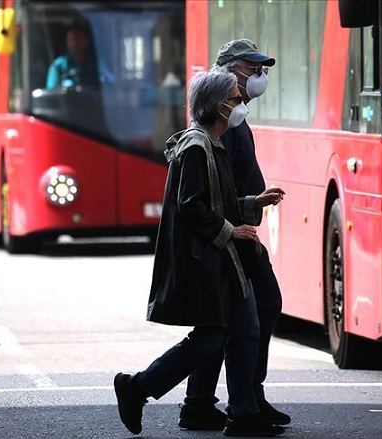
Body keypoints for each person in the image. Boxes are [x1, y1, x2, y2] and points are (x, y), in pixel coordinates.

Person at [113, 70, 287, 438]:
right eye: (234, 100)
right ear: (214, 105)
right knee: (213, 337)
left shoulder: (213, 143)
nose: (240, 106)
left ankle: (242, 413)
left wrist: (251, 203)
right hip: (207, 260)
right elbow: (191, 206)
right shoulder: (197, 147)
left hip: (224, 260)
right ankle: (138, 387)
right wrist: (231, 230)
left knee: (245, 330)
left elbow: (216, 200)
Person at [177, 38, 291, 432]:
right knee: (246, 315)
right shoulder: (219, 121)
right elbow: (203, 194)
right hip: (230, 235)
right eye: (251, 67)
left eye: (261, 68)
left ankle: (210, 403)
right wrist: (236, 221)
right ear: (227, 70)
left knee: (224, 321)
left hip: (239, 229)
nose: (259, 76)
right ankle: (242, 404)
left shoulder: (237, 117)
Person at [46, 23, 100, 89]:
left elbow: (108, 84)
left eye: (78, 39)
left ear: (86, 42)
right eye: (71, 40)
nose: (74, 43)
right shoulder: (58, 65)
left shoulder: (97, 64)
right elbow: (51, 91)